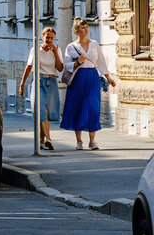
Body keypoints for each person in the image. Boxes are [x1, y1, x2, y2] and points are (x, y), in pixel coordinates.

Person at [61, 17, 117, 150]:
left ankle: (92, 141)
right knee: (78, 107)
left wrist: (108, 78)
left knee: (93, 107)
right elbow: (67, 65)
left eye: (86, 27)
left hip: (92, 77)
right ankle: (79, 141)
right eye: (82, 27)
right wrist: (78, 62)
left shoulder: (94, 44)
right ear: (76, 31)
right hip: (78, 78)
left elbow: (101, 62)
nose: (86, 29)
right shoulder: (71, 47)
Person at [19, 26, 62, 150]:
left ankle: (40, 141)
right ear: (42, 37)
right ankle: (48, 139)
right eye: (47, 37)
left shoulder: (56, 50)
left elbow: (60, 68)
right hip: (38, 80)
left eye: (51, 38)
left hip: (52, 81)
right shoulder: (36, 49)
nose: (49, 40)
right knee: (42, 111)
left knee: (48, 113)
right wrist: (22, 85)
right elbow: (28, 67)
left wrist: (55, 53)